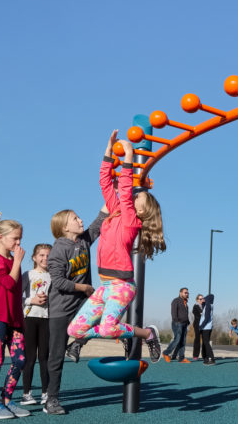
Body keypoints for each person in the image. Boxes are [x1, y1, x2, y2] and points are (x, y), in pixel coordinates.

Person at [66, 134, 164, 363]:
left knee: (109, 328)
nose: (134, 195)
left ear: (142, 210)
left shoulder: (131, 221)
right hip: (106, 285)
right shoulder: (115, 212)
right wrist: (108, 152)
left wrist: (129, 157)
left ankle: (147, 334)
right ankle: (128, 333)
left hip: (122, 285)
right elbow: (105, 182)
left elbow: (126, 189)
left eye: (140, 197)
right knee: (74, 331)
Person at [43, 206, 106, 415]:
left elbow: (99, 221)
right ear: (64, 226)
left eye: (79, 217)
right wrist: (83, 288)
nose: (80, 220)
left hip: (80, 304)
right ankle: (51, 399)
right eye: (75, 218)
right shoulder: (58, 250)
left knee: (104, 313)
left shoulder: (84, 242)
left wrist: (112, 191)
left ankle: (77, 345)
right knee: (56, 356)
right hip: (61, 309)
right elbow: (59, 281)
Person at [0, 219, 30, 420]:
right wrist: (18, 262)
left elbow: (17, 291)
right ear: (1, 238)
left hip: (14, 317)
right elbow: (8, 284)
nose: (18, 243)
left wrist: (16, 261)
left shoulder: (12, 261)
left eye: (20, 238)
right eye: (15, 238)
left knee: (20, 359)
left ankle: (7, 400)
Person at [19, 243, 51, 405]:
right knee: (29, 357)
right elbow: (17, 298)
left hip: (47, 320)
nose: (45, 258)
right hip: (30, 319)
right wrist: (32, 300)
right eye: (41, 255)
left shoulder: (53, 276)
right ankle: (27, 393)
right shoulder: (28, 275)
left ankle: (45, 392)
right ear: (34, 258)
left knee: (44, 357)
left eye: (48, 255)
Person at [162, 287, 190, 363]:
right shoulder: (176, 301)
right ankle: (166, 353)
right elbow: (173, 313)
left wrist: (188, 322)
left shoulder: (185, 303)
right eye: (185, 292)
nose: (187, 294)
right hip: (177, 323)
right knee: (177, 339)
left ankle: (181, 358)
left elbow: (185, 314)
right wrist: (177, 321)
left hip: (184, 324)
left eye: (187, 293)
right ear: (180, 293)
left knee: (183, 341)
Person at [198, 293, 215, 365]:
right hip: (206, 327)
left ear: (208, 299)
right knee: (205, 343)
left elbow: (207, 318)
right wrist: (203, 304)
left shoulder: (208, 306)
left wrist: (201, 326)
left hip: (206, 328)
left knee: (206, 343)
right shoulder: (207, 305)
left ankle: (211, 359)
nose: (203, 300)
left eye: (205, 299)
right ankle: (206, 358)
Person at [191, 294, 204, 360]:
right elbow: (196, 314)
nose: (202, 300)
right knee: (197, 339)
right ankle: (195, 355)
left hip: (204, 325)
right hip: (197, 325)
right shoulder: (195, 306)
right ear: (197, 300)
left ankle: (204, 355)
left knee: (205, 340)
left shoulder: (204, 306)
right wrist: (201, 314)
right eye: (200, 299)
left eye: (202, 299)